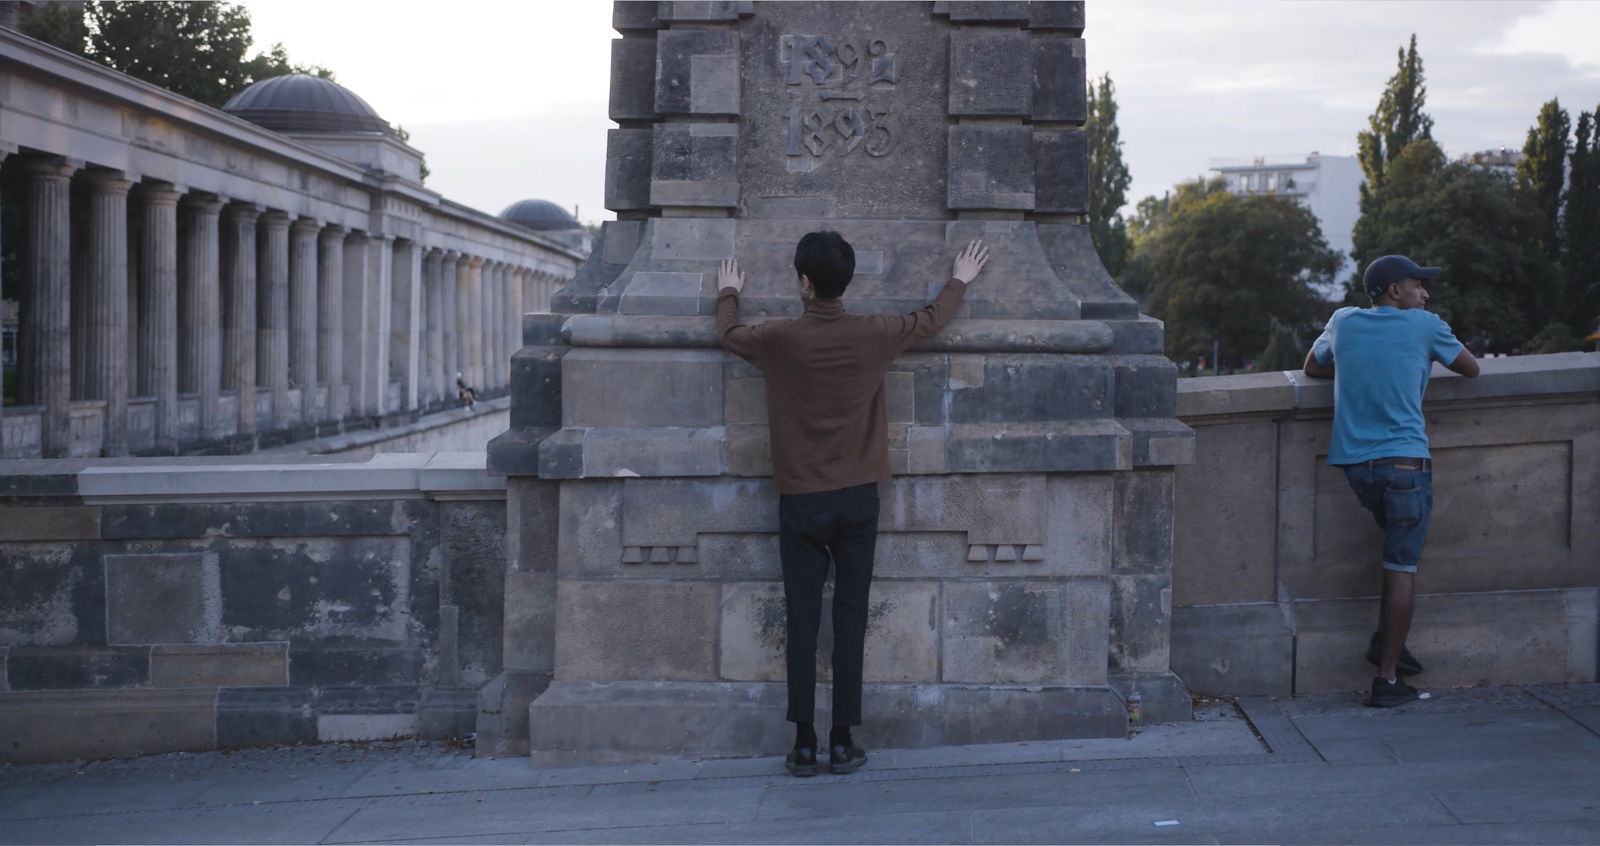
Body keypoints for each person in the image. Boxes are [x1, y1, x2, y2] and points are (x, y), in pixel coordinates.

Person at [716, 233, 989, 776]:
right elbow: (930, 320)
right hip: (858, 497)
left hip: (801, 499)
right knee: (850, 616)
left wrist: (729, 292)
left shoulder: (779, 338)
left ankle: (803, 743)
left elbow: (729, 333)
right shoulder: (874, 334)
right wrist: (960, 278)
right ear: (847, 280)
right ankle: (842, 741)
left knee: (801, 619)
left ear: (803, 282)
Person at [1303, 254, 1479, 708]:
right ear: (1395, 291)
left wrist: (1362, 363)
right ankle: (1386, 678)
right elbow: (1471, 368)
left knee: (1395, 552)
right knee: (1402, 566)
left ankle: (1387, 641)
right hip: (1404, 466)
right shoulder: (1425, 325)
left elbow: (1312, 367)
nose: (1426, 293)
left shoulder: (1343, 321)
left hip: (1356, 469)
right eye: (1419, 285)